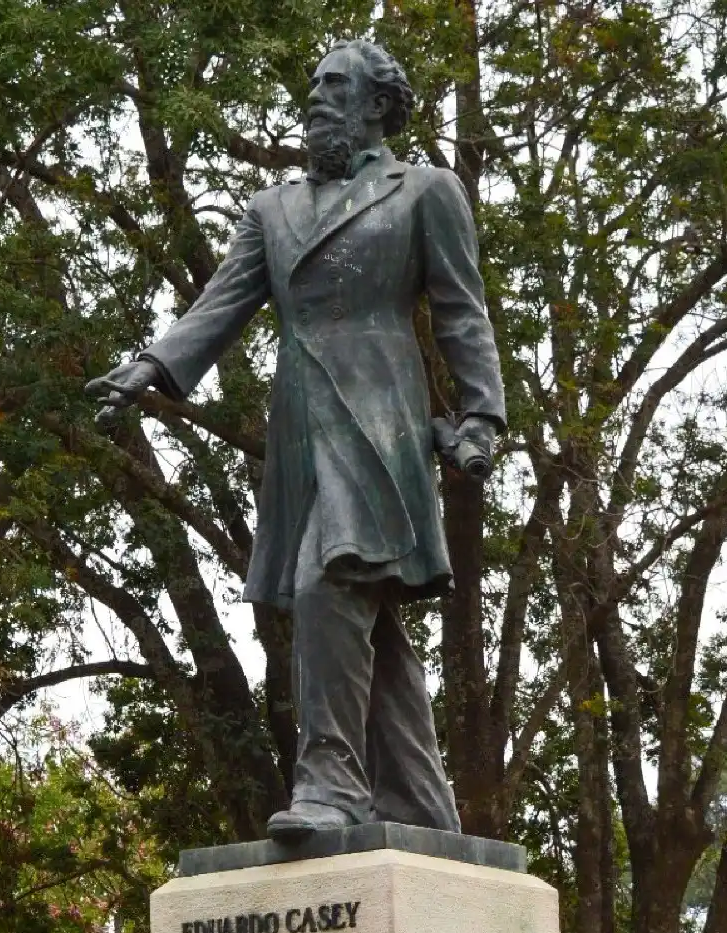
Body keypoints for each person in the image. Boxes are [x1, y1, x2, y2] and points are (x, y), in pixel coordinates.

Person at [85, 38, 506, 840]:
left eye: (334, 85)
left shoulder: (425, 191)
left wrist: (480, 420)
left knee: (330, 582)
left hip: (379, 416)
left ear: (379, 105)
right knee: (358, 616)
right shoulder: (270, 210)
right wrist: (150, 367)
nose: (314, 99)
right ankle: (418, 801)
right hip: (299, 424)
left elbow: (461, 311)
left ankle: (331, 786)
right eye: (311, 85)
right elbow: (219, 306)